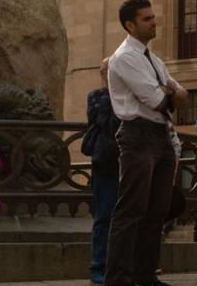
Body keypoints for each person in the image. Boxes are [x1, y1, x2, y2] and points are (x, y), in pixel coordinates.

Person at [104, 0, 189, 286]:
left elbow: (182, 94)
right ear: (130, 25)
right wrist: (168, 92)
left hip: (161, 135)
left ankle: (145, 273)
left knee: (157, 210)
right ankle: (117, 277)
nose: (154, 22)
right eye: (147, 18)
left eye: (153, 17)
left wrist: (168, 92)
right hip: (138, 135)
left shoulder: (153, 59)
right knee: (131, 208)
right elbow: (157, 99)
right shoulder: (125, 57)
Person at [85, 58, 118, 284]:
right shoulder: (97, 96)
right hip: (105, 161)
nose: (105, 73)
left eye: (110, 69)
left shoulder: (127, 93)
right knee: (103, 216)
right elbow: (98, 119)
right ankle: (98, 265)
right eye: (104, 70)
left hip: (127, 161)